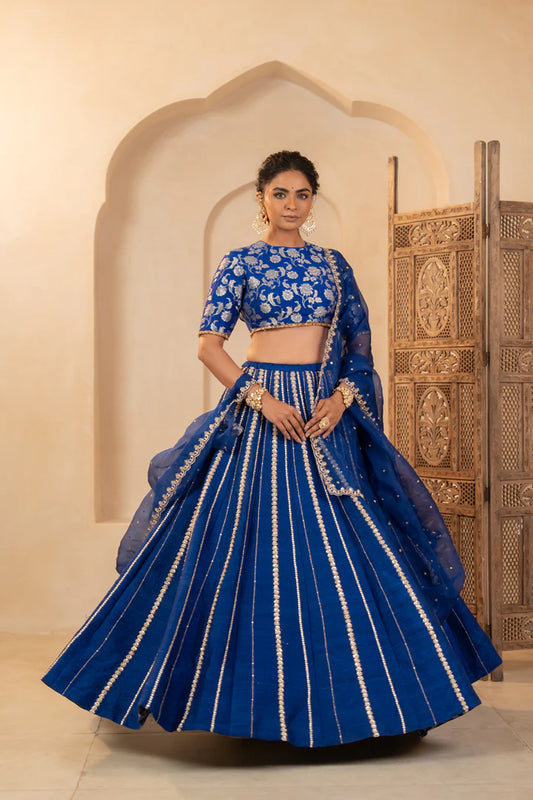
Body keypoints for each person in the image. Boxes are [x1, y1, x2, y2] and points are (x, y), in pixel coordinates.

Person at [43, 150, 501, 748]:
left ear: (314, 201)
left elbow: (360, 353)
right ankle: (233, 703)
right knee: (236, 545)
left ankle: (369, 700)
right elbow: (209, 346)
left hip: (322, 415)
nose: (291, 205)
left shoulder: (333, 266)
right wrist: (262, 400)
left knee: (351, 546)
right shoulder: (241, 263)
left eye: (303, 194)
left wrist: (339, 401)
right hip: (262, 410)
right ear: (261, 198)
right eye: (281, 193)